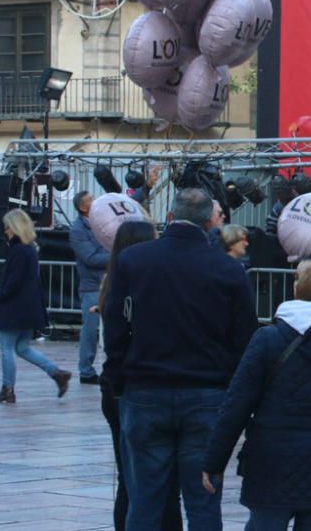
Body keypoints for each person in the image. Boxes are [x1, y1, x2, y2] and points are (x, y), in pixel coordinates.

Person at [102, 188, 257, 530]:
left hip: (145, 390)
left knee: (144, 501)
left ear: (169, 216)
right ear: (209, 223)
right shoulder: (228, 269)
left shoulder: (134, 260)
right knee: (203, 503)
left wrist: (119, 374)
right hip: (206, 393)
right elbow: (245, 337)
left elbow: (115, 323)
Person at [202, 259, 311, 531]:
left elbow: (237, 403)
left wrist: (215, 461)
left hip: (272, 458)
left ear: (296, 290)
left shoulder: (268, 338)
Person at [96, 220, 183, 531]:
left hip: (117, 382)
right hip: (136, 382)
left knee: (129, 477)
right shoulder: (141, 281)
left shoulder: (112, 280)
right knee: (160, 480)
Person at [0, 209, 72, 403]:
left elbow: (13, 281)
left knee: (7, 348)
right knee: (22, 347)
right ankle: (56, 372)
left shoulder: (18, 250)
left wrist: (0, 297)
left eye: (7, 226)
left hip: (14, 307)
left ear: (14, 227)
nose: (5, 230)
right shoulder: (30, 249)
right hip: (29, 307)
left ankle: (8, 388)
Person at [69, 190, 108, 385]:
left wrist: (145, 188)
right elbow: (90, 258)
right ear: (82, 207)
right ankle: (86, 370)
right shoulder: (78, 230)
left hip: (108, 282)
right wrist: (118, 254)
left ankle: (111, 367)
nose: (95, 201)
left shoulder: (100, 221)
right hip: (92, 285)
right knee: (91, 329)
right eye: (91, 200)